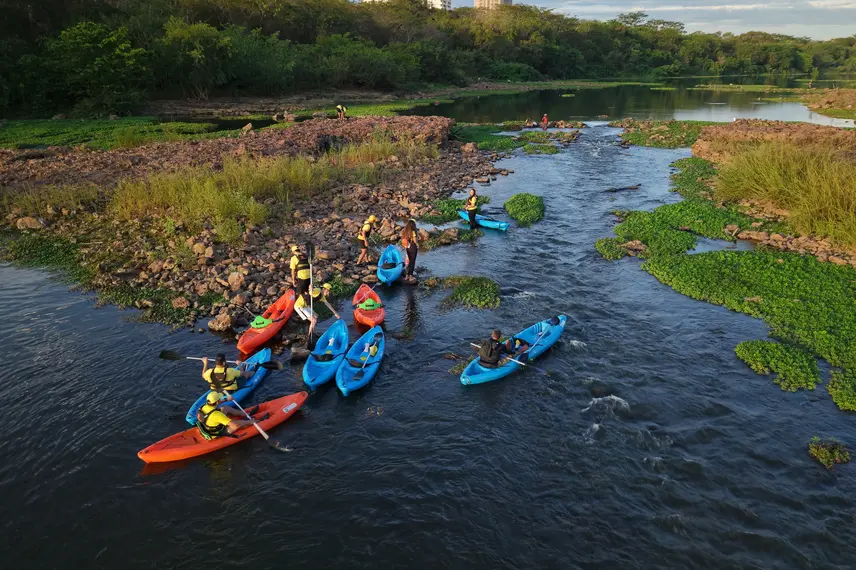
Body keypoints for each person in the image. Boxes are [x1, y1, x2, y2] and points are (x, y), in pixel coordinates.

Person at [196, 392, 265, 439]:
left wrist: (227, 399)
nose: (220, 399)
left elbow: (217, 403)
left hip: (210, 425)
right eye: (219, 399)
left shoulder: (205, 406)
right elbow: (235, 425)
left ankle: (245, 414)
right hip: (216, 434)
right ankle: (255, 421)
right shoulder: (217, 415)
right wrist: (249, 422)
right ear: (217, 402)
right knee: (236, 425)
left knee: (224, 408)